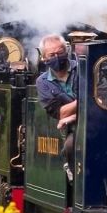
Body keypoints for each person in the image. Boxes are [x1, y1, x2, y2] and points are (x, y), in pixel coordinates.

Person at [35, 34, 77, 180]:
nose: (57, 57)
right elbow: (60, 113)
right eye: (52, 54)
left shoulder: (83, 69)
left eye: (60, 53)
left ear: (67, 52)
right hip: (73, 128)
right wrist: (83, 102)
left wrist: (73, 111)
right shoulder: (43, 82)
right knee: (71, 146)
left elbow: (103, 95)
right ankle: (74, 179)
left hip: (96, 119)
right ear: (44, 58)